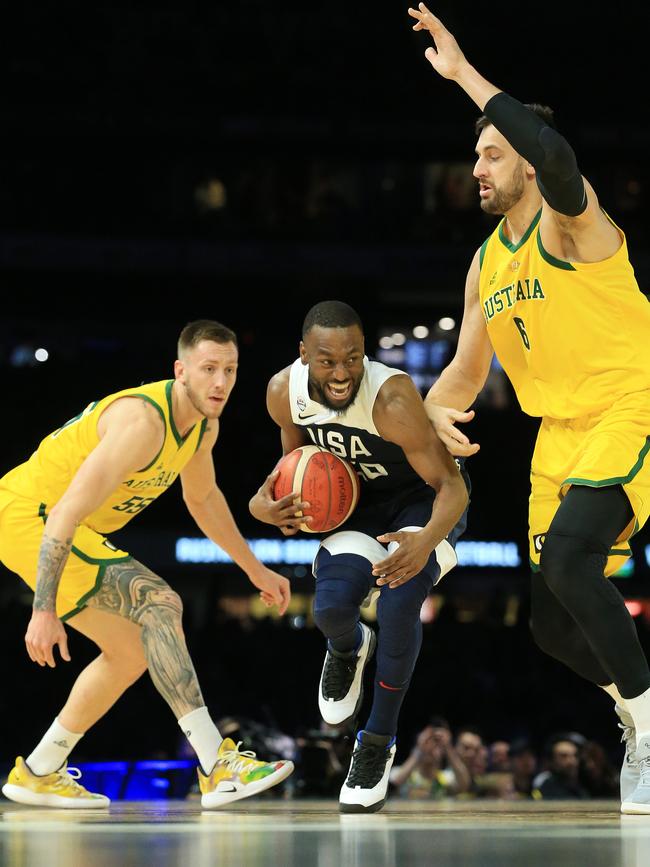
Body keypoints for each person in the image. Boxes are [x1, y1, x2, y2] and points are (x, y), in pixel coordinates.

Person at [408, 5, 650, 815]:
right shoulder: (485, 264)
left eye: (490, 153)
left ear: (524, 163)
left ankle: (649, 735)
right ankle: (632, 709)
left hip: (630, 404)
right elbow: (462, 373)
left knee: (574, 558)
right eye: (474, 155)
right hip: (559, 437)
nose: (476, 168)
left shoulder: (572, 221)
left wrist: (466, 77)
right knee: (550, 625)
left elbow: (554, 151)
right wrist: (433, 414)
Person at [0, 319, 293, 809]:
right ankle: (216, 763)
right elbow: (67, 512)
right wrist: (43, 608)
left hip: (61, 526)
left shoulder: (202, 427)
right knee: (159, 601)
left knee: (132, 652)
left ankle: (39, 770)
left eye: (230, 370)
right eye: (208, 369)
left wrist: (255, 569)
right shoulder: (141, 423)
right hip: (35, 518)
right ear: (181, 371)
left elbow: (203, 499)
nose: (220, 382)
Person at [249, 299, 469, 812]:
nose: (342, 372)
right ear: (304, 354)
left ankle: (376, 742)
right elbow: (294, 466)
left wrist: (424, 542)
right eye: (328, 360)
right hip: (360, 504)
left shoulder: (391, 397)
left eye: (353, 357)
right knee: (328, 609)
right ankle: (348, 647)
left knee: (397, 606)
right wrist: (263, 504)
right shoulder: (284, 392)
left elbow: (452, 488)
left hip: (423, 505)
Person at [389, 716, 471, 799]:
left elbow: (464, 785)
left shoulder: (446, 778)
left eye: (436, 743)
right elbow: (395, 783)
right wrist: (419, 749)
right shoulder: (402, 773)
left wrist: (448, 748)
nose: (431, 747)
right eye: (428, 742)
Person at [533, 735, 589, 800]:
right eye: (564, 756)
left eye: (575, 755)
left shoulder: (583, 790)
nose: (572, 761)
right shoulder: (543, 789)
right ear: (551, 761)